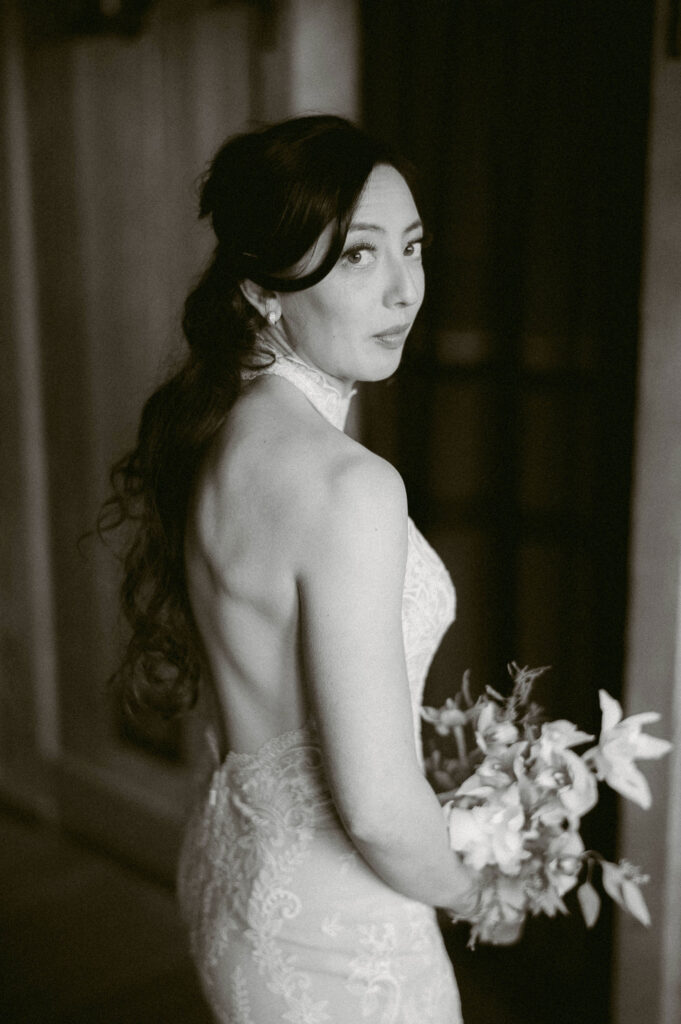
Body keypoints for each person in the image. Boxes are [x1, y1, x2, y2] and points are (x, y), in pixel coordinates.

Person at [102, 115, 478, 1023]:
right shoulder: (351, 488)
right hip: (343, 938)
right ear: (265, 290)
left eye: (414, 249)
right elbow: (381, 813)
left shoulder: (218, 437)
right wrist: (476, 891)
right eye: (357, 256)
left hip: (232, 884)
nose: (403, 291)